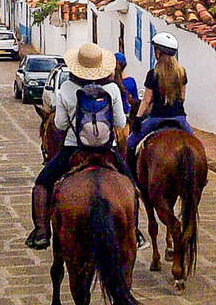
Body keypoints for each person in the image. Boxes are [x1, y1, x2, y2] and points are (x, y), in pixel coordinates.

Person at [25, 42, 137, 251]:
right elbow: (121, 123)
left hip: (73, 149)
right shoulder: (112, 89)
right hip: (107, 151)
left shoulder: (67, 88)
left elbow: (59, 125)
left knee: (42, 183)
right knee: (131, 186)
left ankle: (41, 232)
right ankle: (135, 231)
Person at [126, 32, 193, 177]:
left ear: (158, 52)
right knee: (195, 144)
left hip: (157, 118)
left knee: (130, 143)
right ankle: (200, 177)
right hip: (179, 118)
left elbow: (147, 100)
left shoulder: (153, 74)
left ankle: (130, 176)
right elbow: (182, 97)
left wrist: (137, 118)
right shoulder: (182, 73)